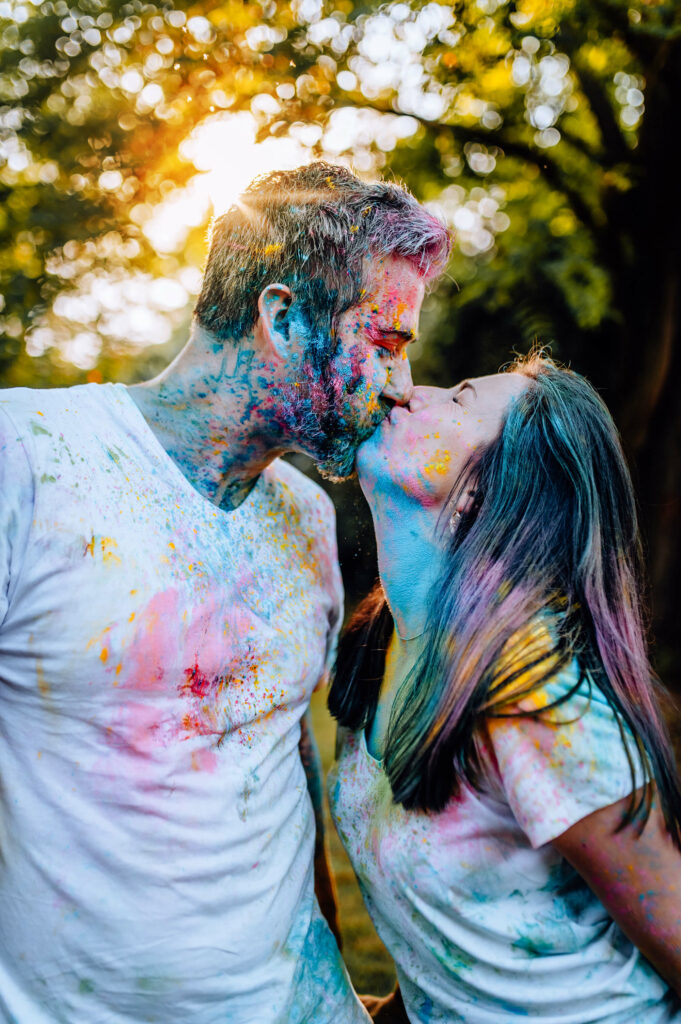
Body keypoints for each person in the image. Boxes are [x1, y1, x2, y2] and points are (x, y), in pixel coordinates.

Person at [0, 161, 450, 1023]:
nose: (399, 386)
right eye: (385, 343)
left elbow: (283, 754)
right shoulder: (29, 457)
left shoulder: (308, 516)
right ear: (282, 318)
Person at [328, 352, 681, 1023]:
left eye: (460, 400)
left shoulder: (533, 694)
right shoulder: (375, 647)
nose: (409, 391)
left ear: (484, 494)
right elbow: (472, 921)